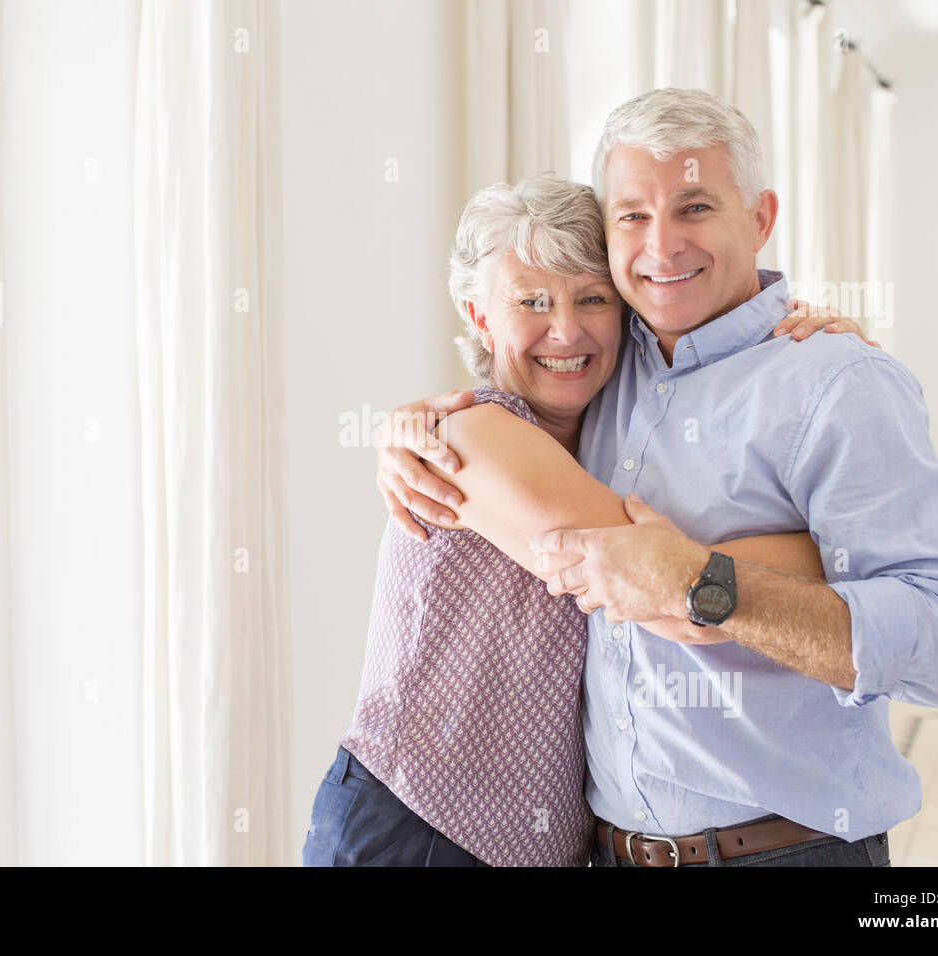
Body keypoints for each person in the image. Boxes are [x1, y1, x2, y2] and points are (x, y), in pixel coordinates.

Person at [379, 89, 938, 867]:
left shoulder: (838, 381)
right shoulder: (601, 362)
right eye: (632, 215)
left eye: (695, 207)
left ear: (761, 218)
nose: (661, 247)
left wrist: (706, 582)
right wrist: (407, 425)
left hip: (785, 853)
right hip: (606, 851)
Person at [304, 172, 867, 867]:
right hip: (416, 828)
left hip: (540, 844)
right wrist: (842, 553)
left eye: (592, 298)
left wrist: (805, 333)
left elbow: (680, 573)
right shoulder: (472, 435)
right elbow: (674, 599)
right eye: (531, 301)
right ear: (480, 316)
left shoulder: (610, 446)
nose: (564, 330)